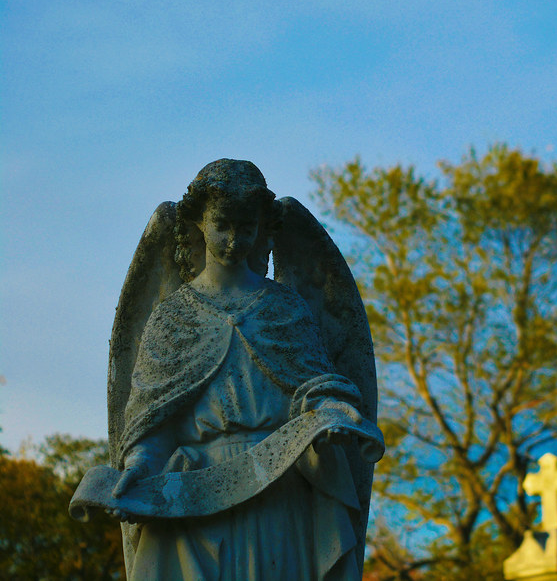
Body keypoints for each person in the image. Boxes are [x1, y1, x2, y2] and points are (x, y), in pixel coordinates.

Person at [103, 159, 374, 580]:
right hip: (194, 498)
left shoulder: (283, 306)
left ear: (262, 227)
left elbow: (317, 385)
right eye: (222, 225)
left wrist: (332, 413)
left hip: (277, 490)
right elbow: (152, 420)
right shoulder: (172, 316)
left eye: (246, 227)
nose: (234, 240)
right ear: (199, 224)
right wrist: (138, 463)